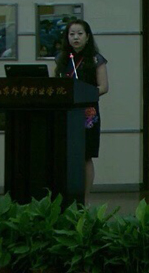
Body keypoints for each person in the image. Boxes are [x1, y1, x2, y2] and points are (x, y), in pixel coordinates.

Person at [53, 20, 109, 204]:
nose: (75, 37)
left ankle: (84, 200)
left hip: (87, 114)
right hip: (66, 112)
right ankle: (65, 198)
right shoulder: (62, 59)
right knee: (65, 155)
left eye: (79, 34)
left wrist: (83, 93)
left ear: (87, 37)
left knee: (85, 156)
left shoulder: (96, 59)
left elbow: (104, 87)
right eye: (72, 34)